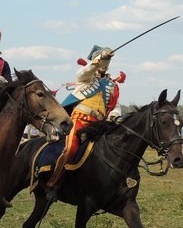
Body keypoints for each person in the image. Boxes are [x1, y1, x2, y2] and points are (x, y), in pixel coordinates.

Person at [45, 45, 125, 200]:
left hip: (99, 126)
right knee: (71, 149)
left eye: (107, 61)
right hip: (80, 119)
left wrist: (114, 114)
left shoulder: (112, 85)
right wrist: (99, 59)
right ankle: (53, 184)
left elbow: (115, 105)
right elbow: (83, 72)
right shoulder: (86, 76)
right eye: (103, 60)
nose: (104, 64)